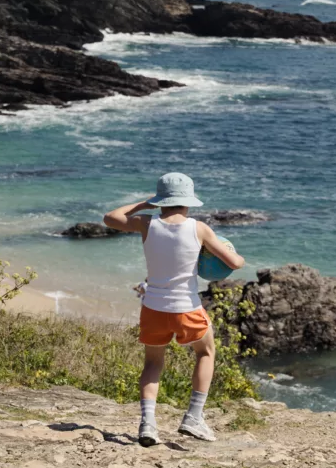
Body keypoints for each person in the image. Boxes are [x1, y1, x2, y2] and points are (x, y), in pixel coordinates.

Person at [103, 172, 244, 447]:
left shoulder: (147, 224)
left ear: (161, 201)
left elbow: (110, 218)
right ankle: (193, 417)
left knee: (152, 364)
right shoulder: (199, 229)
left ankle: (147, 424)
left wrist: (145, 204)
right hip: (186, 308)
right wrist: (239, 257)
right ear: (188, 201)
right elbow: (234, 263)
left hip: (153, 308)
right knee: (206, 352)